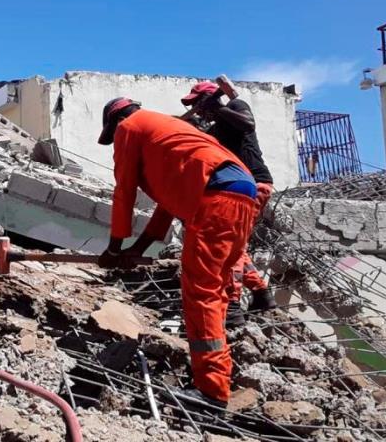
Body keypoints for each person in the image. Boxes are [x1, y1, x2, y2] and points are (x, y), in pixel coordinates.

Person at [96, 97, 256, 410]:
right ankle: (217, 377)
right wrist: (135, 251)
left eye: (112, 136)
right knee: (216, 291)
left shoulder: (130, 127)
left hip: (217, 196)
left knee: (201, 293)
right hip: (242, 192)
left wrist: (114, 248)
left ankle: (212, 394)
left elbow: (124, 189)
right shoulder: (169, 133)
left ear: (116, 122)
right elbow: (166, 208)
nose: (115, 142)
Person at [181, 82, 277, 328]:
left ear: (210, 99)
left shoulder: (236, 107)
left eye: (198, 103)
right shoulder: (215, 130)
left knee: (231, 246)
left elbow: (248, 124)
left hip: (253, 184)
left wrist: (217, 108)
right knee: (236, 245)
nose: (198, 110)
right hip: (239, 189)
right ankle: (261, 293)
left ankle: (233, 305)